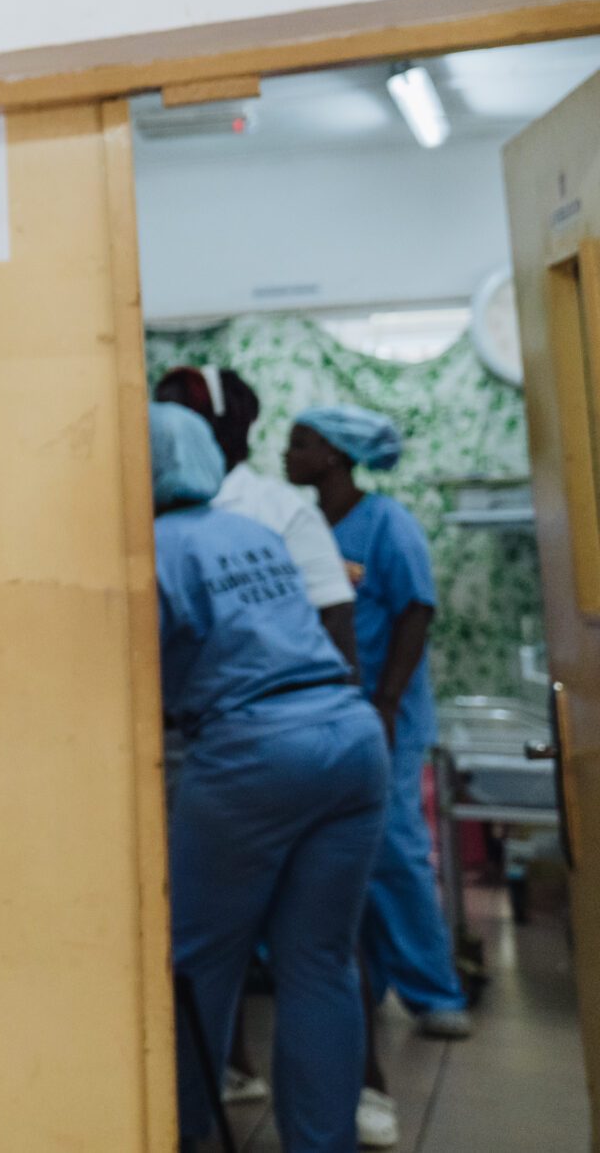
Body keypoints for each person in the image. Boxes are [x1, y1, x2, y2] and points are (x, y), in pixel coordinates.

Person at [154, 403, 388, 1153]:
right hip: (349, 739)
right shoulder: (253, 532)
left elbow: (129, 681)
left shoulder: (152, 550)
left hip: (251, 754)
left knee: (199, 964)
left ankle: (178, 1133)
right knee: (319, 962)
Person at [285, 406, 472, 1143]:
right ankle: (375, 979)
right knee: (345, 858)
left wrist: (388, 700)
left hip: (385, 714)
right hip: (334, 717)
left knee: (394, 848)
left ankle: (436, 990)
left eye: (301, 442)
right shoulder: (308, 525)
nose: (288, 452)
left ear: (335, 455)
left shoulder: (386, 523)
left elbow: (415, 612)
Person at [155, 367, 357, 662]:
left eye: (177, 414)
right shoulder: (154, 514)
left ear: (215, 426)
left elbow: (335, 617)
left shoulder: (280, 509)